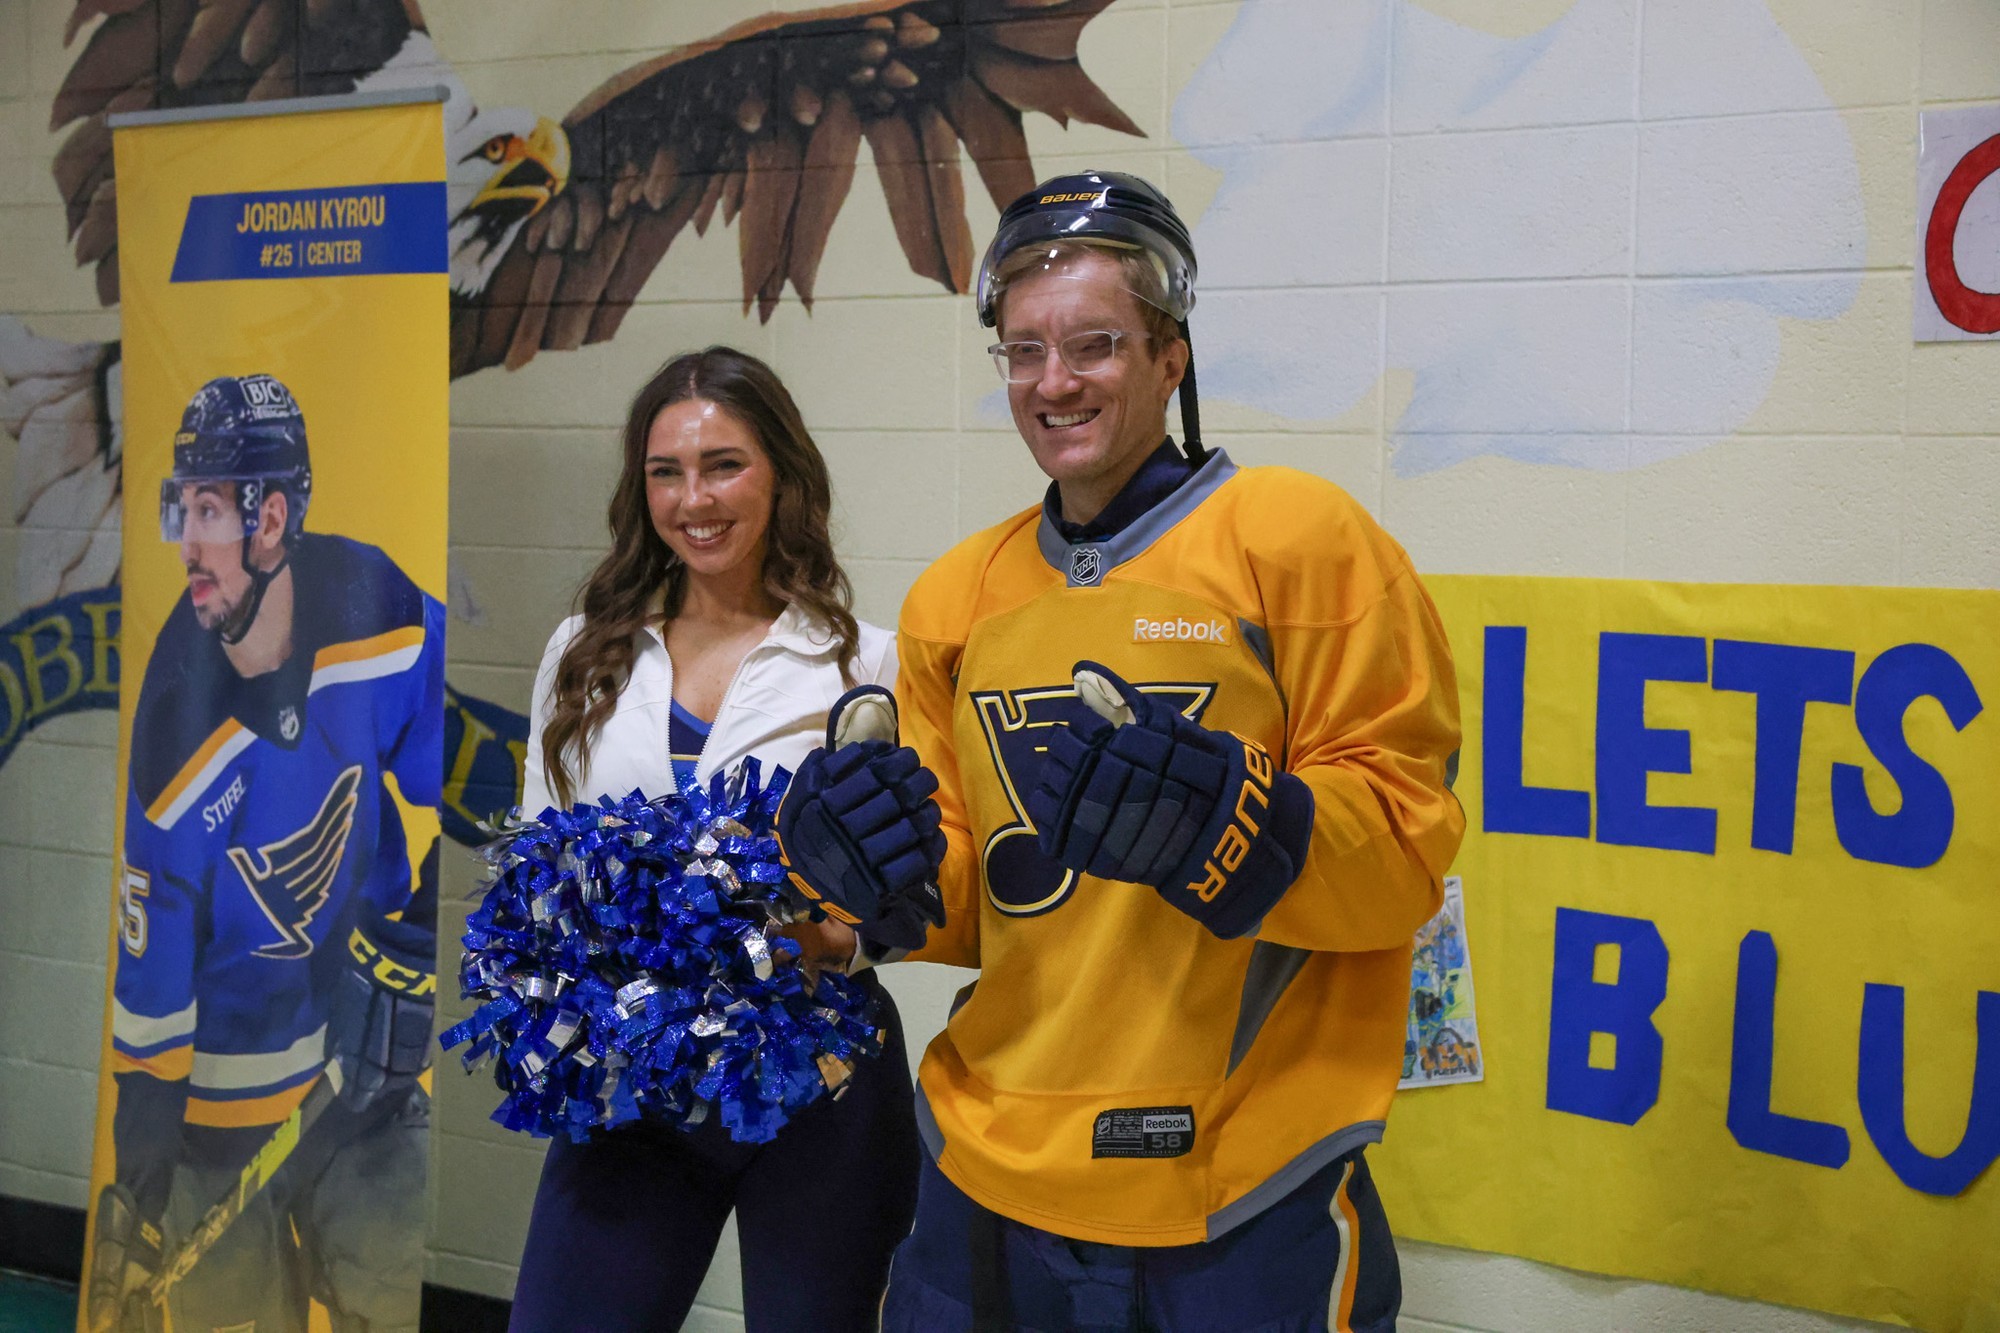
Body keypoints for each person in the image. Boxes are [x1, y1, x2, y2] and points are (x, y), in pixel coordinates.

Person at [789, 171, 1467, 1331]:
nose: (1052, 382)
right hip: (983, 1164)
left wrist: (1238, 827)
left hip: (1239, 1184)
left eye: (1093, 344)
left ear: (1169, 355)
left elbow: (1405, 850)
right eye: (1023, 352)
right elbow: (971, 894)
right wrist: (864, 872)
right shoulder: (957, 594)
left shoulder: (1299, 539)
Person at [508, 346, 926, 1333]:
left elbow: (904, 899)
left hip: (819, 1077)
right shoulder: (583, 650)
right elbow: (538, 852)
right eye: (667, 471)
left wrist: (822, 941)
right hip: (632, 1080)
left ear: (782, 474)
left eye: (724, 464)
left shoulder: (865, 662)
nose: (694, 498)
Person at [90, 373, 444, 1333]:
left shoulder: (378, 605)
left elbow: (469, 783)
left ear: (271, 517)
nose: (188, 543)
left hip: (362, 1081)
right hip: (219, 1123)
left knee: (392, 1296)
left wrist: (414, 946)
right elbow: (152, 1006)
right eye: (181, 509)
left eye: (209, 510)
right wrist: (141, 1198)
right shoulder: (175, 736)